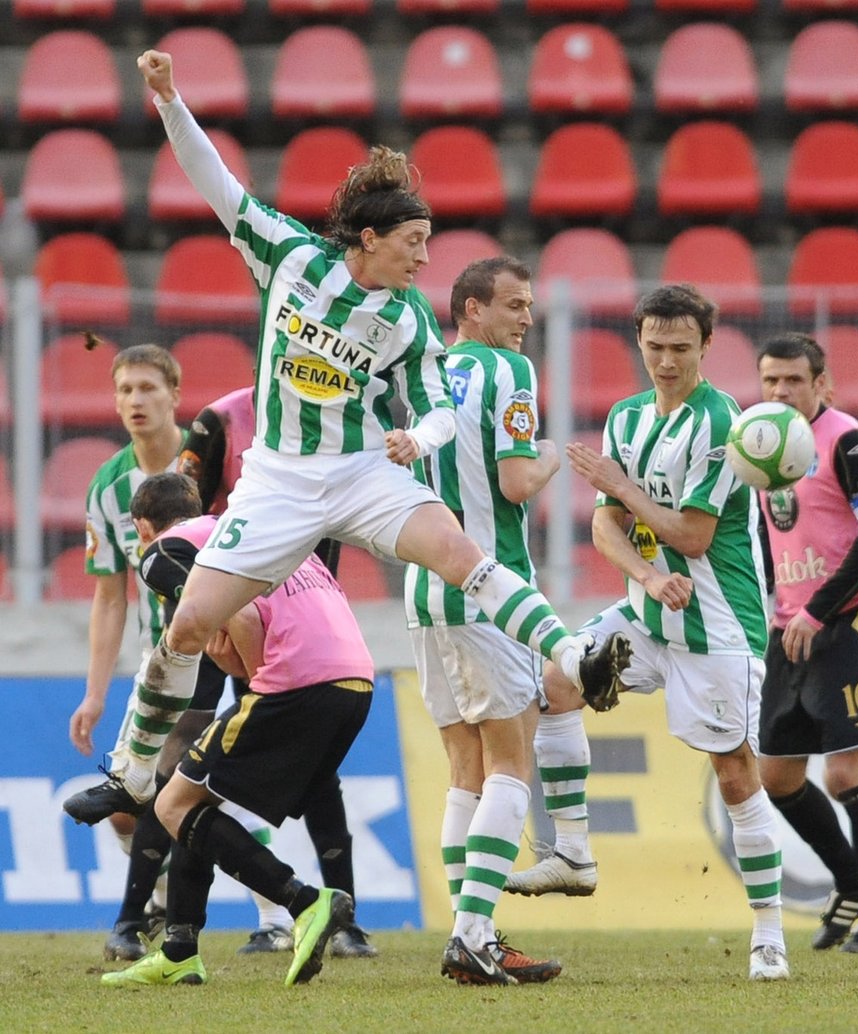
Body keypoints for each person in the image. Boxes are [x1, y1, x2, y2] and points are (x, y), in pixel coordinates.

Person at [72, 51, 631, 865]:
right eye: (414, 241)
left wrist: (423, 439)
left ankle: (574, 654)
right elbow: (216, 182)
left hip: (365, 471)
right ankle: (128, 772)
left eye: (429, 242)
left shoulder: (406, 319)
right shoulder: (291, 259)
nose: (424, 258)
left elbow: (439, 403)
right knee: (189, 623)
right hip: (280, 480)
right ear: (369, 237)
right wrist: (169, 102)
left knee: (460, 555)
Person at [511, 284, 790, 982]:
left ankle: (769, 934)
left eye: (681, 348)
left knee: (733, 773)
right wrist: (643, 575)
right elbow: (605, 525)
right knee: (555, 681)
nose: (666, 361)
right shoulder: (627, 418)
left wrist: (623, 489)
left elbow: (692, 534)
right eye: (655, 346)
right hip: (650, 613)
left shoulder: (723, 424)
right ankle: (573, 853)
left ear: (705, 348)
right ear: (639, 340)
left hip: (719, 625)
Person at [100, 473, 373, 988]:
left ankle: (305, 903)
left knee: (172, 805)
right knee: (193, 796)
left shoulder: (163, 553)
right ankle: (180, 949)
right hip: (355, 679)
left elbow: (241, 613)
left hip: (297, 683)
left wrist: (251, 679)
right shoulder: (256, 530)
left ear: (141, 526)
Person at [404, 257, 563, 985]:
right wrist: (560, 453)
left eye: (527, 306)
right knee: (510, 763)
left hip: (424, 586)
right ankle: (473, 936)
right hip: (489, 588)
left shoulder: (426, 374)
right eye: (513, 306)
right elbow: (515, 480)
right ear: (471, 309)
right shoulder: (508, 374)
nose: (525, 319)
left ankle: (473, 930)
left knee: (464, 769)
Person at [177, 384, 375, 958]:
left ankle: (318, 915)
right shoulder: (221, 418)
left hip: (292, 619)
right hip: (237, 605)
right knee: (198, 764)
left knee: (205, 782)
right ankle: (261, 918)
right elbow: (193, 510)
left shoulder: (340, 412)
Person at [65, 343, 220, 961]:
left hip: (223, 648)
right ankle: (153, 904)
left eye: (147, 388)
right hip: (161, 659)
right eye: (124, 389)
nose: (135, 401)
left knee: (194, 784)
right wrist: (95, 691)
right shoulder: (108, 487)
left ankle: (270, 914)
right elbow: (109, 597)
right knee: (130, 812)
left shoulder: (211, 464)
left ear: (175, 395)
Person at [754, 332, 858, 954]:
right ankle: (849, 886)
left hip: (849, 620)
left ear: (822, 385)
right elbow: (769, 533)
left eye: (792, 380)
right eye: (770, 381)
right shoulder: (757, 443)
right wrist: (776, 612)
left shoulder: (847, 440)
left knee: (846, 772)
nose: (781, 392)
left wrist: (818, 609)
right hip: (791, 625)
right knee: (776, 775)